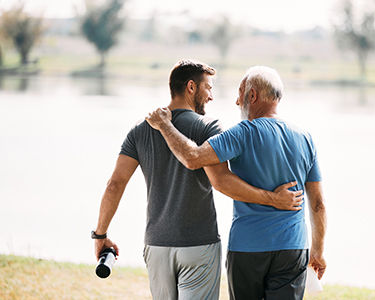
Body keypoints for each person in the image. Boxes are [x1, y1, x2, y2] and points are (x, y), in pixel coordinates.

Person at [91, 60, 304, 300]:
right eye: (208, 88)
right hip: (199, 245)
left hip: (156, 245)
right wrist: (273, 199)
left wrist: (100, 235)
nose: (212, 96)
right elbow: (221, 181)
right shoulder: (209, 127)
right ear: (191, 87)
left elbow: (114, 185)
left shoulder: (140, 130)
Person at [146, 66, 327, 300]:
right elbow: (318, 204)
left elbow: (192, 158)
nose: (236, 101)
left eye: (240, 93)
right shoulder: (305, 137)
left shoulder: (241, 133)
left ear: (252, 96)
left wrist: (164, 125)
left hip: (247, 247)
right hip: (292, 247)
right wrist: (318, 251)